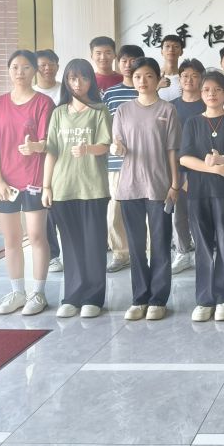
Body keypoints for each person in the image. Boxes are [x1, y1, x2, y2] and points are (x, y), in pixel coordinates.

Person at [0, 50, 55, 316]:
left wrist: (36, 146)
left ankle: (38, 293)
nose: (20, 72)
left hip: (34, 178)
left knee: (36, 236)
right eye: (15, 67)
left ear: (34, 71)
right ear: (9, 70)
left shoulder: (44, 102)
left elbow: (50, 143)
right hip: (5, 182)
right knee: (11, 239)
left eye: (25, 67)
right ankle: (17, 292)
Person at [111, 57, 181, 321]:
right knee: (136, 245)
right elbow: (118, 144)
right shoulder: (123, 110)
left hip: (159, 186)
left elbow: (173, 150)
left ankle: (158, 299)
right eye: (138, 76)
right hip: (129, 186)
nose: (143, 81)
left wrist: (174, 184)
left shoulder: (167, 110)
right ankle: (139, 298)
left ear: (157, 78)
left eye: (149, 76)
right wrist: (117, 148)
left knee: (160, 243)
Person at [42, 59, 112, 318]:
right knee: (70, 246)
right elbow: (51, 151)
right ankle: (72, 296)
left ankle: (93, 297)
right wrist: (46, 186)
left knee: (94, 244)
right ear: (67, 81)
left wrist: (87, 149)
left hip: (93, 187)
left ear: (91, 81)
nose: (78, 83)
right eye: (72, 78)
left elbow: (105, 145)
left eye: (83, 78)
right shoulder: (59, 113)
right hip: (63, 187)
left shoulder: (99, 110)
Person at [179, 70, 224, 321]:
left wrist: (221, 160)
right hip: (198, 193)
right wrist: (214, 169)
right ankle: (204, 300)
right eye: (207, 90)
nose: (212, 94)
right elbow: (184, 158)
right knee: (202, 246)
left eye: (217, 90)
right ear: (201, 93)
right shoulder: (192, 123)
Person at [102, 44, 143, 273]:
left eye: (133, 60)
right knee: (115, 211)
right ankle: (121, 253)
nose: (128, 65)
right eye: (124, 60)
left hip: (146, 162)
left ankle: (146, 253)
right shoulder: (110, 94)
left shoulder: (148, 89)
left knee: (146, 210)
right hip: (117, 163)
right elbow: (106, 128)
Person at [170, 58, 206, 274]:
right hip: (178, 168)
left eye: (194, 76)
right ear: (179, 79)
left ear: (201, 79)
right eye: (185, 76)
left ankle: (204, 252)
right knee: (180, 213)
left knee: (203, 213)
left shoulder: (208, 103)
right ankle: (182, 252)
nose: (189, 80)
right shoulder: (171, 106)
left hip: (204, 168)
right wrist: (180, 174)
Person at [35, 49, 64, 272]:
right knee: (45, 207)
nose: (47, 68)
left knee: (62, 206)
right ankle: (53, 254)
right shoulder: (32, 93)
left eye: (51, 64)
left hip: (65, 156)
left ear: (57, 65)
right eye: (42, 64)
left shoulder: (66, 90)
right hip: (39, 159)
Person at [157, 34, 184, 102]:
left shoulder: (185, 78)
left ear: (181, 52)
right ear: (161, 51)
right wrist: (158, 87)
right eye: (167, 46)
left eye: (176, 46)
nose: (171, 49)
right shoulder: (153, 75)